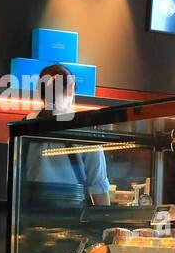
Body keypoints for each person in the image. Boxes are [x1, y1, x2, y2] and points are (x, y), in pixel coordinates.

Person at [21, 64, 110, 207]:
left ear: (40, 91)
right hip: (72, 217)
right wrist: (104, 221)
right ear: (71, 88)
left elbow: (10, 178)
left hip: (28, 215)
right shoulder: (83, 126)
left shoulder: (22, 126)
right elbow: (97, 183)